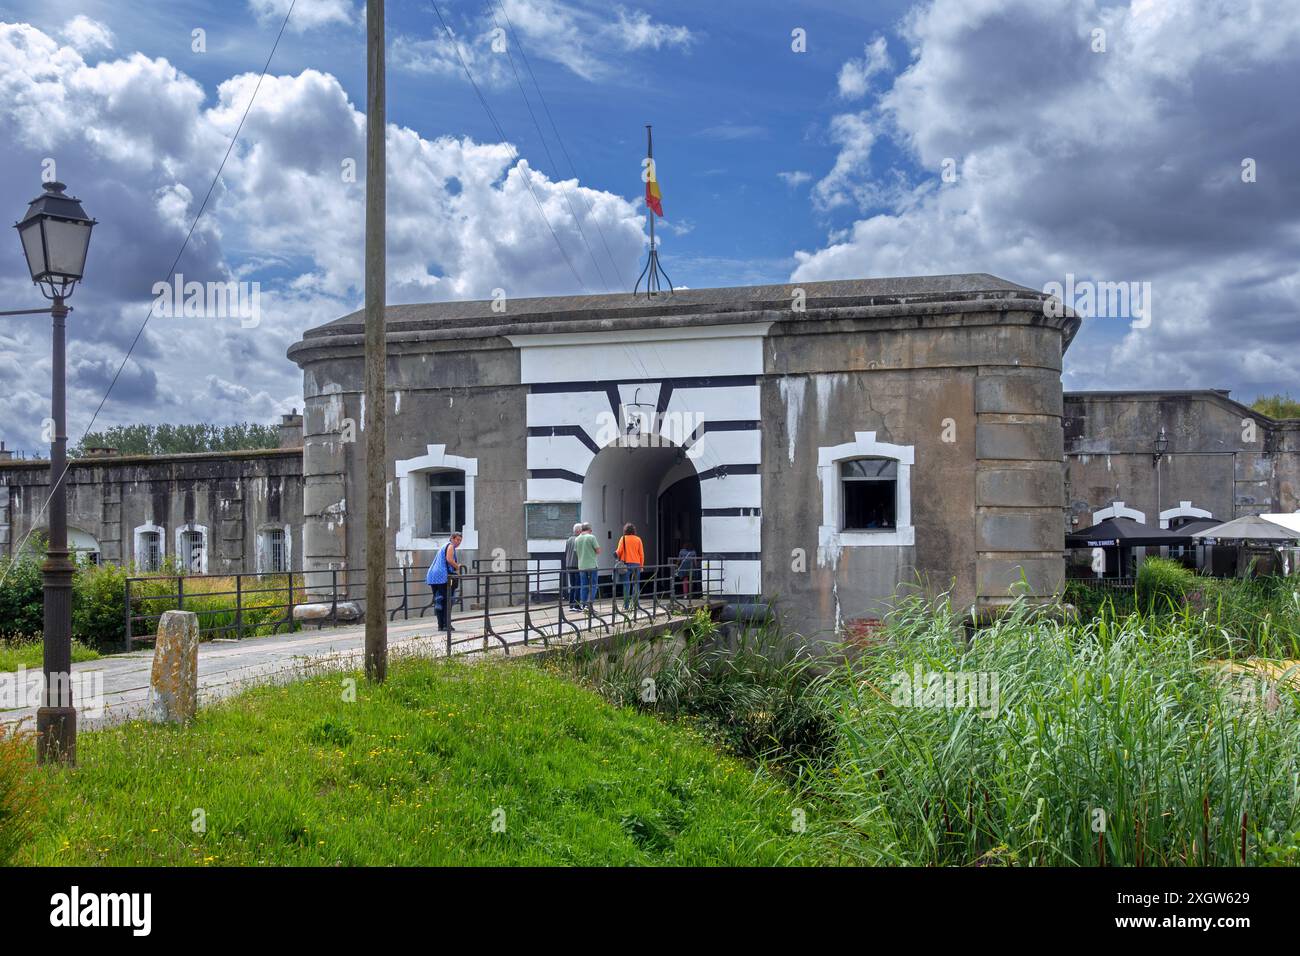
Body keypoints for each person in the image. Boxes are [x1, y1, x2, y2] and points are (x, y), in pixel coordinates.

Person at [425, 531, 462, 631]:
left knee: (439, 601)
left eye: (460, 540)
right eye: (457, 539)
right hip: (443, 577)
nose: (459, 542)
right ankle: (446, 625)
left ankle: (440, 625)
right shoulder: (450, 546)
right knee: (447, 600)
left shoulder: (443, 546)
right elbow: (449, 559)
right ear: (452, 539)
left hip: (433, 576)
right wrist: (457, 567)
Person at [615, 522, 644, 610]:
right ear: (634, 530)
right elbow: (641, 554)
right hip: (636, 565)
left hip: (625, 564)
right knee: (636, 584)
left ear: (625, 530)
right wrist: (641, 566)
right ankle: (636, 604)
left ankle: (626, 605)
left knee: (626, 585)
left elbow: (618, 552)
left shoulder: (623, 539)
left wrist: (616, 554)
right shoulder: (638, 539)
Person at [574, 522, 600, 610]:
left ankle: (584, 605)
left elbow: (576, 552)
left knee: (584, 586)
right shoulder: (591, 537)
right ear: (590, 530)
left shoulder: (577, 539)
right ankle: (589, 604)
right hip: (592, 565)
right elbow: (598, 551)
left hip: (581, 566)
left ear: (581, 529)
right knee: (593, 585)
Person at [563, 522, 582, 610]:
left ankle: (571, 604)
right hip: (577, 565)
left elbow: (566, 552)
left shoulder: (569, 539)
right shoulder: (579, 540)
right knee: (578, 585)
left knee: (572, 585)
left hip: (569, 565)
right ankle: (577, 604)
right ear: (579, 531)